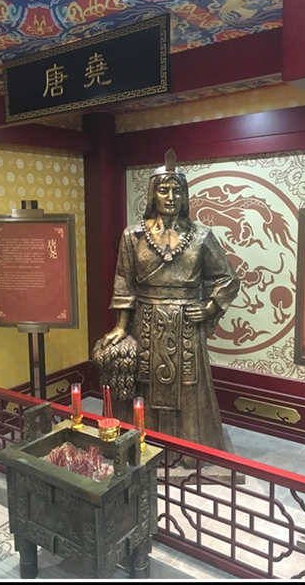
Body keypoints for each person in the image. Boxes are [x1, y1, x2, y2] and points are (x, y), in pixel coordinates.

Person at [100, 149, 240, 452]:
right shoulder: (133, 236)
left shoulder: (201, 236)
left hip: (187, 324)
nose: (171, 197)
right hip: (145, 323)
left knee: (190, 389)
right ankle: (144, 446)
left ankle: (191, 451)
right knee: (146, 386)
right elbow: (124, 282)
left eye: (177, 191)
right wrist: (121, 326)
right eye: (164, 190)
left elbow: (228, 279)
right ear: (153, 194)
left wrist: (209, 306)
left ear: (185, 196)